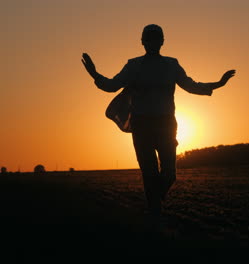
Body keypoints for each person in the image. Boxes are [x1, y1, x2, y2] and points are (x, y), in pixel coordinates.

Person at [82, 24, 235, 217]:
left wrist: (218, 84)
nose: (152, 42)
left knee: (169, 173)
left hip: (166, 124)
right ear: (143, 42)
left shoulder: (172, 65)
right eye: (148, 39)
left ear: (162, 41)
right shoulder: (134, 65)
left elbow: (190, 85)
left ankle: (154, 202)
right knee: (149, 172)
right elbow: (112, 85)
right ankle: (154, 214)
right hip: (142, 125)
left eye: (156, 38)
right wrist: (94, 74)